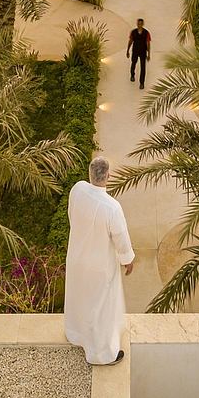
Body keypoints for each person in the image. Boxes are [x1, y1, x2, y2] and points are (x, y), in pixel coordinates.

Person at [64, 156, 134, 367]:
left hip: (77, 258)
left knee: (79, 298)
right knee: (101, 307)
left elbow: (71, 215)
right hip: (100, 266)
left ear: (90, 172)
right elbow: (121, 238)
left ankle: (76, 334)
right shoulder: (112, 207)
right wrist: (127, 260)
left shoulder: (77, 189)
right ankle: (103, 355)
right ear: (108, 176)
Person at [126, 18, 151, 89]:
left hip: (143, 51)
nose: (139, 25)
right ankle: (132, 75)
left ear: (143, 24)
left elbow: (148, 43)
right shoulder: (133, 32)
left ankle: (142, 83)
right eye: (138, 23)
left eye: (141, 24)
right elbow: (130, 41)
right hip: (135, 51)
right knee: (133, 63)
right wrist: (127, 50)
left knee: (143, 67)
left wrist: (148, 54)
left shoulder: (146, 33)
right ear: (137, 24)